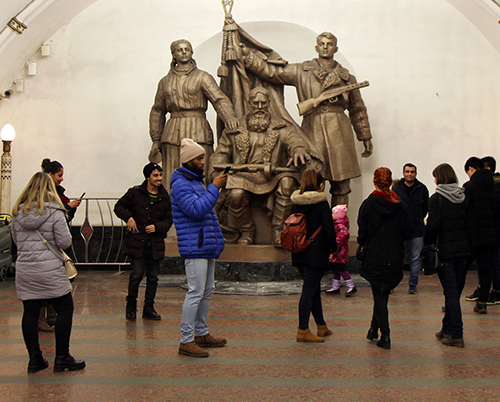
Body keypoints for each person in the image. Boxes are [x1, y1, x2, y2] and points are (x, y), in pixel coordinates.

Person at [241, 32, 372, 208]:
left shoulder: (347, 78)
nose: (325, 47)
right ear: (316, 47)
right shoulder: (301, 70)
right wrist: (246, 56)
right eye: (322, 44)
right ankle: (315, 228)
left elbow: (357, 109)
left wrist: (365, 136)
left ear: (336, 48)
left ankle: (338, 228)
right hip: (313, 128)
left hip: (340, 131)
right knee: (312, 180)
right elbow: (272, 72)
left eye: (329, 44)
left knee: (342, 185)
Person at [210, 86, 312, 245]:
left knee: (287, 183)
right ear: (248, 103)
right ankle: (247, 230)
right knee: (235, 194)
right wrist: (216, 170)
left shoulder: (281, 126)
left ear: (269, 103)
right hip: (242, 175)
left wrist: (298, 149)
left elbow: (295, 141)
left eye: (263, 103)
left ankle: (279, 230)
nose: (259, 107)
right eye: (255, 103)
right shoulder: (235, 128)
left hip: (272, 175)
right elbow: (220, 154)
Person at [9, 171, 86, 374]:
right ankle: (62, 357)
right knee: (65, 308)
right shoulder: (55, 212)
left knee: (30, 312)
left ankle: (35, 359)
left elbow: (16, 241)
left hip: (26, 268)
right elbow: (64, 242)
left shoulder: (17, 213)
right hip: (50, 268)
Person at [150, 39, 240, 188]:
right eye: (180, 50)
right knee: (172, 177)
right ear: (173, 55)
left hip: (198, 130)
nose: (184, 52)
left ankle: (204, 207)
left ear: (192, 52)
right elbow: (157, 111)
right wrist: (156, 138)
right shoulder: (165, 82)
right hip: (173, 133)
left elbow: (219, 99)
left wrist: (229, 117)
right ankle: (172, 209)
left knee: (202, 174)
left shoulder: (203, 77)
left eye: (187, 49)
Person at [170, 137, 229, 358]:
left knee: (207, 290)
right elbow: (196, 210)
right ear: (188, 161)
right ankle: (186, 340)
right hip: (194, 245)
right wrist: (214, 187)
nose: (203, 161)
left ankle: (201, 333)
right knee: (195, 291)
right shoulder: (181, 184)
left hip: (204, 243)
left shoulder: (194, 181)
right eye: (199, 158)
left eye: (203, 157)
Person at [357, 167, 412, 350]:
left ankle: (385, 335)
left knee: (379, 295)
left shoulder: (369, 204)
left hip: (375, 254)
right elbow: (407, 231)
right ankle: (373, 329)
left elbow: (362, 233)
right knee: (382, 293)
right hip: (395, 254)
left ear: (374, 182)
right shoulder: (399, 205)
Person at [114, 162, 173, 322]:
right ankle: (131, 307)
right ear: (148, 177)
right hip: (137, 241)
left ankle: (149, 308)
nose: (159, 178)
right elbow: (119, 206)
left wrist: (158, 227)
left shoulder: (164, 196)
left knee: (153, 277)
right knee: (137, 274)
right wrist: (129, 218)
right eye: (155, 175)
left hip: (155, 243)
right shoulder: (135, 193)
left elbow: (169, 220)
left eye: (160, 175)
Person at [423, 163, 470, 348]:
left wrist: (427, 244)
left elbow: (433, 226)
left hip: (446, 252)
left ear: (439, 178)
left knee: (450, 294)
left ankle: (456, 334)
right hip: (464, 251)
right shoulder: (463, 197)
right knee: (454, 293)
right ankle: (447, 328)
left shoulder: (437, 199)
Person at [290, 169, 337, 342]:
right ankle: (302, 330)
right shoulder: (321, 204)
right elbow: (329, 230)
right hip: (316, 253)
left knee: (314, 288)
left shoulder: (296, 203)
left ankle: (321, 326)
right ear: (320, 185)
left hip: (299, 251)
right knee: (309, 291)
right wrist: (333, 248)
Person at [39, 158, 84, 331]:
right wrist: (66, 206)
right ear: (49, 175)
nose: (62, 179)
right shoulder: (49, 198)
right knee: (47, 283)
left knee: (51, 282)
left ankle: (51, 315)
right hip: (49, 248)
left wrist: (69, 207)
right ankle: (44, 317)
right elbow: (63, 236)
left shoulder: (29, 207)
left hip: (47, 249)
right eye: (60, 175)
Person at [461, 156, 500, 315]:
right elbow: (498, 208)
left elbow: (464, 209)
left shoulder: (469, 187)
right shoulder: (493, 186)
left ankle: (452, 301)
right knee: (486, 269)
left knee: (462, 268)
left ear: (471, 169)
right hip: (490, 233)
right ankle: (483, 301)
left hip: (472, 234)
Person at [393, 163, 429, 294]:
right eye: (407, 171)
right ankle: (393, 283)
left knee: (416, 258)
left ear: (416, 173)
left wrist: (418, 217)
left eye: (412, 172)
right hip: (400, 228)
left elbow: (426, 207)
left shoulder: (422, 188)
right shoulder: (396, 188)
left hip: (417, 228)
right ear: (403, 173)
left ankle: (413, 284)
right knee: (397, 256)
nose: (410, 174)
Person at [480, 156, 500, 305]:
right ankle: (482, 288)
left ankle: (496, 292)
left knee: (495, 262)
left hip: (494, 229)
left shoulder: (497, 187)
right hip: (486, 228)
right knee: (483, 261)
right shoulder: (487, 186)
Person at [325, 204, 356, 297]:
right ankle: (335, 286)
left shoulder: (341, 227)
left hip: (339, 253)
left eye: (333, 213)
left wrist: (332, 251)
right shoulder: (337, 225)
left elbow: (339, 241)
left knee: (341, 269)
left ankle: (350, 285)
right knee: (335, 269)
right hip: (338, 253)